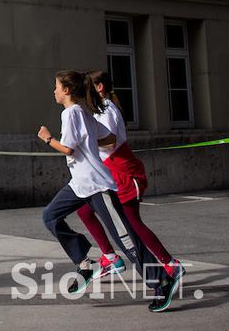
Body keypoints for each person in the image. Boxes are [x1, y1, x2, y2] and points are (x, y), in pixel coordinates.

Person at [38, 70, 168, 311]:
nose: (53, 91)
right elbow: (108, 139)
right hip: (79, 184)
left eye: (56, 87)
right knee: (50, 216)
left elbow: (68, 149)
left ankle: (162, 281)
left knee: (126, 239)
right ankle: (84, 263)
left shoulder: (71, 113)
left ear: (67, 90)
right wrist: (88, 140)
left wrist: (47, 138)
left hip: (97, 185)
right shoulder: (84, 113)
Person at [75, 70, 185, 310]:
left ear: (100, 87)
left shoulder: (107, 110)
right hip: (107, 174)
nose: (83, 92)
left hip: (124, 173)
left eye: (87, 87)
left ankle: (169, 264)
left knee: (133, 224)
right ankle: (110, 257)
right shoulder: (97, 110)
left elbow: (110, 142)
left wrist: (77, 142)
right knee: (84, 210)